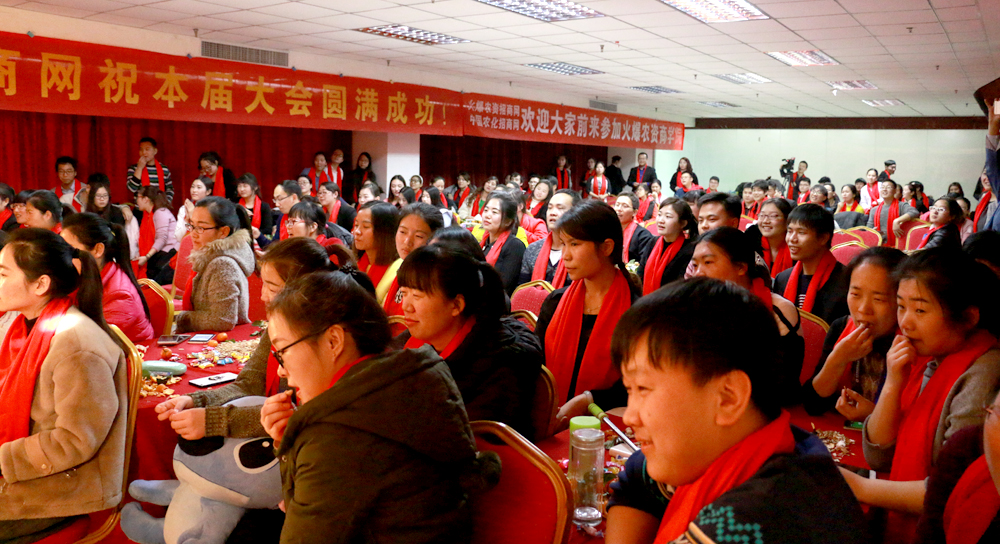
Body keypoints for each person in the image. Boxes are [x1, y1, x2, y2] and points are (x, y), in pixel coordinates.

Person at [604, 278, 866, 544]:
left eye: (643, 388)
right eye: (629, 390)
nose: (629, 416)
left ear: (728, 397)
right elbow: (636, 478)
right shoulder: (776, 445)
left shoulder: (758, 518)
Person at [259, 270, 497, 544]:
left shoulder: (338, 439)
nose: (281, 371)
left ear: (333, 341)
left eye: (282, 351)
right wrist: (289, 439)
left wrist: (298, 441)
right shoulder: (399, 383)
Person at [843, 248, 1000, 543]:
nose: (905, 322)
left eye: (920, 310)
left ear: (968, 317)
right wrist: (893, 383)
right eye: (901, 307)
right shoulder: (925, 357)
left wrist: (859, 487)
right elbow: (878, 455)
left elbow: (950, 491)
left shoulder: (983, 374)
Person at [156, 238, 356, 442]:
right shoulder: (280, 327)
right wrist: (196, 401)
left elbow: (301, 417)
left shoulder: (321, 341)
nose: (263, 297)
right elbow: (249, 383)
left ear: (305, 291)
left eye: (273, 288)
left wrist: (213, 420)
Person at [0, 229, 129, 542]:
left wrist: (3, 458)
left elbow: (75, 440)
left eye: (3, 274)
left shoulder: (76, 345)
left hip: (59, 486)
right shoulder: (26, 327)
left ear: (41, 284)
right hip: (31, 470)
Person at [394, 244, 543, 436]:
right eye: (404, 293)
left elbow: (465, 438)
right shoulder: (417, 337)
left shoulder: (500, 365)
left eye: (417, 296)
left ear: (456, 305)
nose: (406, 306)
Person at [536, 200, 642, 424]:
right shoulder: (555, 303)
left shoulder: (637, 315)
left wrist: (589, 400)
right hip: (548, 417)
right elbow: (537, 366)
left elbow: (637, 385)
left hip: (607, 423)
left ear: (606, 247)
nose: (565, 255)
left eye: (574, 244)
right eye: (563, 244)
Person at [692, 227, 805, 401]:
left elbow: (783, 383)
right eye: (695, 265)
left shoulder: (778, 310)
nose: (698, 273)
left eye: (708, 262)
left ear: (741, 267)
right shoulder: (696, 306)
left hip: (762, 403)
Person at [802, 247, 905, 420]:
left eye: (878, 299)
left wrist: (875, 417)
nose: (863, 309)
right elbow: (813, 405)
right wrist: (838, 359)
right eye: (856, 294)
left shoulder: (911, 343)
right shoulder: (841, 328)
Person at [62, 212, 155, 344]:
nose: (62, 257)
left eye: (70, 250)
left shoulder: (120, 295)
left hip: (128, 354)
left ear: (98, 250)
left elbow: (90, 343)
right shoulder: (85, 275)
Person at [176, 197, 255, 333]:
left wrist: (183, 318)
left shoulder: (222, 265)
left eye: (200, 228)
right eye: (192, 225)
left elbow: (222, 321)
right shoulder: (210, 257)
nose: (193, 234)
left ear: (223, 232)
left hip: (220, 339)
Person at [773, 204, 849, 325]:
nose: (792, 239)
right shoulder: (782, 279)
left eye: (801, 232)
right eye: (789, 231)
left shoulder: (846, 281)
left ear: (823, 238)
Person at [383, 204, 444, 318]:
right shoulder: (405, 266)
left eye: (418, 236)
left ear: (435, 239)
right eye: (402, 232)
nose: (407, 241)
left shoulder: (432, 279)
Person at [520, 189, 580, 288]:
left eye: (560, 208)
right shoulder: (533, 249)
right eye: (550, 208)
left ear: (576, 213)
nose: (553, 213)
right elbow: (522, 289)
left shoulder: (581, 252)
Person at [642, 197, 696, 295]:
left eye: (668, 216)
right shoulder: (652, 242)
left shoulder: (689, 250)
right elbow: (640, 273)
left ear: (683, 223)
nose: (661, 220)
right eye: (659, 215)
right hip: (646, 300)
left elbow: (680, 287)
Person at [353, 201, 400, 304]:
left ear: (385, 231)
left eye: (365, 226)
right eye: (356, 225)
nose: (357, 231)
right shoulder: (359, 262)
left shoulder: (398, 270)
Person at [479, 191, 525, 295]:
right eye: (486, 210)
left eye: (494, 212)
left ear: (508, 221)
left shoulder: (514, 246)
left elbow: (505, 287)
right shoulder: (483, 243)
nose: (487, 215)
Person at [134, 186, 178, 285]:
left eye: (138, 197)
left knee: (154, 281)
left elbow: (161, 239)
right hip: (161, 253)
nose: (136, 201)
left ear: (146, 199)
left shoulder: (160, 212)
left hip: (168, 253)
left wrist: (147, 256)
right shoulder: (149, 215)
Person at [867, 179, 919, 247]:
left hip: (898, 245)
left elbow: (914, 212)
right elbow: (869, 228)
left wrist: (897, 220)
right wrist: (872, 232)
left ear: (895, 191)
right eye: (882, 187)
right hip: (879, 245)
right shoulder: (874, 210)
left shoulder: (901, 205)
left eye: (888, 187)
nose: (884, 189)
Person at [613, 193, 655, 275]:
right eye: (617, 205)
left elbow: (644, 265)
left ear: (634, 212)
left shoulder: (643, 235)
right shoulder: (608, 230)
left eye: (625, 206)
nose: (619, 209)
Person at [127, 136, 173, 202]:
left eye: (147, 149)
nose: (144, 152)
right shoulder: (133, 168)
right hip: (141, 207)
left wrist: (165, 202)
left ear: (155, 151)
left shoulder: (164, 169)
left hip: (159, 205)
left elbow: (170, 189)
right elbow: (132, 189)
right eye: (141, 149)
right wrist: (139, 168)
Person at [758, 198, 794, 278]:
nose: (765, 221)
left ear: (787, 220)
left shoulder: (796, 248)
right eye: (762, 215)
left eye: (773, 216)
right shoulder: (750, 245)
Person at [235, 173, 274, 248]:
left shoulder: (264, 206)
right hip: (238, 242)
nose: (242, 189)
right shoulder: (235, 205)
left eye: (245, 186)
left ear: (255, 187)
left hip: (258, 242)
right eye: (239, 186)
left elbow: (268, 229)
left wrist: (252, 233)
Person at [175, 176, 213, 242]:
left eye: (199, 187)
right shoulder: (184, 208)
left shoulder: (212, 209)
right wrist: (186, 220)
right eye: (192, 187)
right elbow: (178, 237)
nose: (194, 190)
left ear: (208, 191)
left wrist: (192, 215)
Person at [270, 180, 302, 245]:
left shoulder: (308, 215)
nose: (276, 204)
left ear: (294, 197)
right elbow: (275, 244)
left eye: (280, 199)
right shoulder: (281, 217)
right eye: (275, 200)